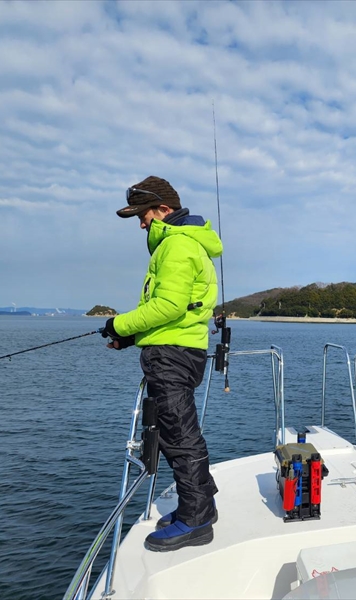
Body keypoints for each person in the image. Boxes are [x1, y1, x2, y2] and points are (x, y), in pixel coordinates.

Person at [101, 175, 222, 551]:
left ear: (164, 211)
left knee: (179, 437)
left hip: (172, 357)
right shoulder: (182, 245)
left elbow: (167, 307)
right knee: (179, 433)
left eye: (143, 215)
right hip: (176, 350)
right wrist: (133, 338)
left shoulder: (176, 247)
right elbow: (178, 313)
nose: (141, 224)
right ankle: (201, 504)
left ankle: (196, 521)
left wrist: (116, 324)